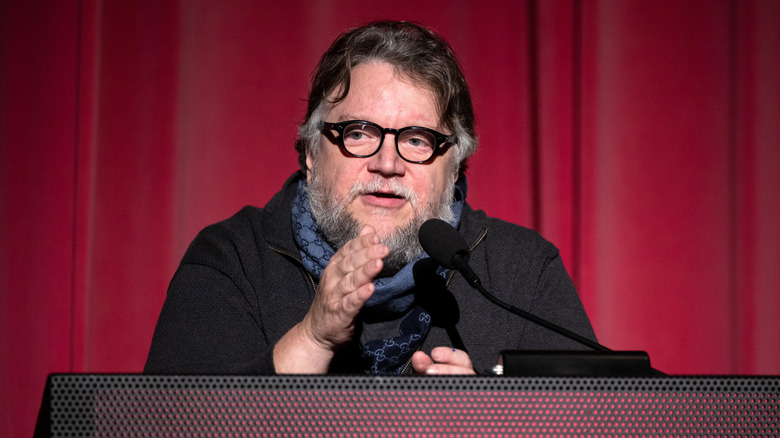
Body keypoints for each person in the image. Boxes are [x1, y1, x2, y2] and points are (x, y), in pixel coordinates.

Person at [144, 20, 596, 376]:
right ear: (311, 154)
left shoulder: (523, 274)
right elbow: (165, 425)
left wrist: (485, 422)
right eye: (359, 133)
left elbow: (596, 426)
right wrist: (312, 340)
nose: (387, 163)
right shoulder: (232, 259)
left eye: (417, 140)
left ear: (454, 166)